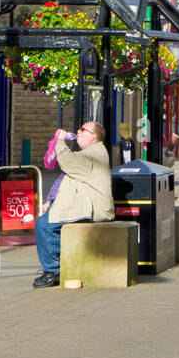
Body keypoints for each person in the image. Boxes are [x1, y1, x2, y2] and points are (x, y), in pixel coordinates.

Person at [33, 122, 114, 288]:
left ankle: (53, 271)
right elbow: (70, 180)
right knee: (47, 222)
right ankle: (62, 265)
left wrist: (60, 141)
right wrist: (52, 201)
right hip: (81, 206)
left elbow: (67, 162)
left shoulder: (95, 155)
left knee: (44, 225)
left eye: (83, 130)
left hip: (92, 209)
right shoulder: (87, 153)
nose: (78, 131)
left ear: (94, 136)